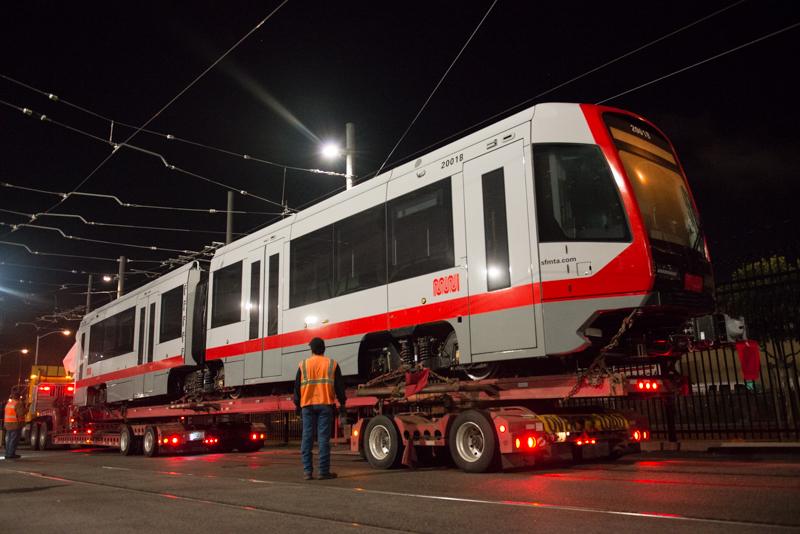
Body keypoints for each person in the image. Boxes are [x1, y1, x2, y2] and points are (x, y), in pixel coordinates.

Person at [293, 337, 347, 480]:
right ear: (324, 349)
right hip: (325, 405)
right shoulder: (332, 364)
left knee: (307, 438)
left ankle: (307, 472)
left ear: (311, 349)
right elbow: (340, 388)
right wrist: (343, 403)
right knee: (323, 439)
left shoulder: (303, 364)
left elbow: (297, 388)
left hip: (307, 406)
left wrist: (297, 406)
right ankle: (323, 472)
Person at [4, 387, 27, 459]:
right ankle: (11, 454)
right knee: (13, 440)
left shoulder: (9, 403)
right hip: (14, 424)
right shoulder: (18, 404)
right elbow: (21, 413)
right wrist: (27, 409)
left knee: (8, 440)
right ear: (18, 397)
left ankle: (8, 453)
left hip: (7, 424)